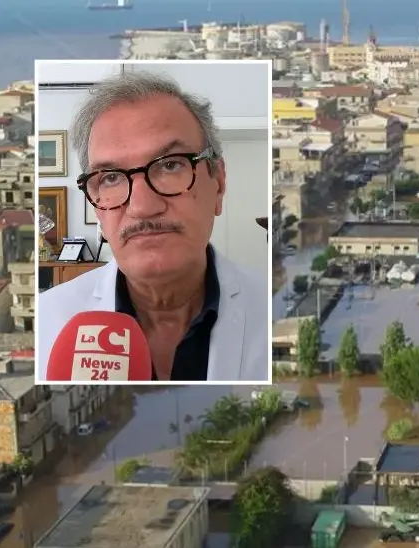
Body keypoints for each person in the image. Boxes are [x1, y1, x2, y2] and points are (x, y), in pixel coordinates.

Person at [37, 70, 269, 382]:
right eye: (111, 177)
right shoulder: (46, 324)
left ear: (218, 184)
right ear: (95, 203)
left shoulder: (272, 312)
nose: (143, 207)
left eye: (171, 165)